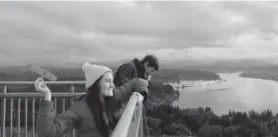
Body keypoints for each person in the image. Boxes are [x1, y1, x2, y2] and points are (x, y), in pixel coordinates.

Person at [35, 62, 149, 137]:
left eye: (112, 81)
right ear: (96, 84)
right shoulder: (81, 108)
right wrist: (47, 95)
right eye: (107, 81)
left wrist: (139, 94)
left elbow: (138, 82)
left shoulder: (114, 95)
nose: (113, 85)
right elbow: (47, 132)